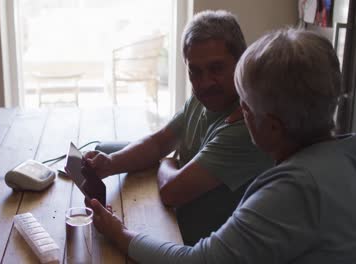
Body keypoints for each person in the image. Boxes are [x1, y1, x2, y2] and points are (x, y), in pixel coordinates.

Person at [88, 28, 356, 263]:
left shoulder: (293, 190)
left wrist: (117, 232)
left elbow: (198, 261)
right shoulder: (343, 151)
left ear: (273, 127)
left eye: (246, 106)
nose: (237, 113)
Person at [84, 10, 272, 245]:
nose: (204, 83)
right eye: (195, 70)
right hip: (178, 210)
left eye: (216, 68)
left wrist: (168, 161)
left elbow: (172, 191)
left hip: (199, 239)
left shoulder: (247, 125)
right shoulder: (200, 98)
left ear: (240, 62)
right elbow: (159, 142)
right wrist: (110, 164)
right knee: (105, 152)